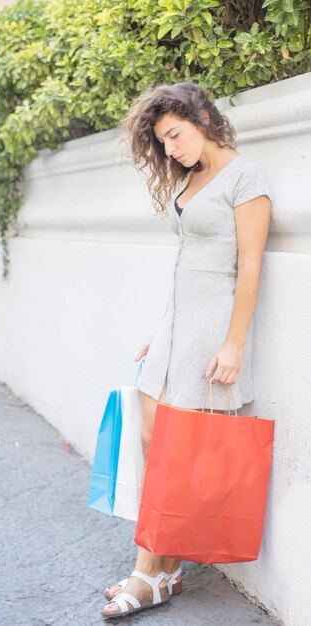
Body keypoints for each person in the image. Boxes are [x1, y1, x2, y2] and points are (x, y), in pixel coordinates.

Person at [101, 82, 274, 619]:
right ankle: (166, 567)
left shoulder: (247, 178)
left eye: (175, 135)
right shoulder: (192, 176)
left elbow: (249, 267)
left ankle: (146, 573)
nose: (171, 149)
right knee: (153, 436)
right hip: (176, 325)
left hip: (210, 329)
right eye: (163, 141)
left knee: (177, 451)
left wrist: (234, 343)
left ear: (203, 116)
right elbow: (186, 260)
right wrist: (162, 328)